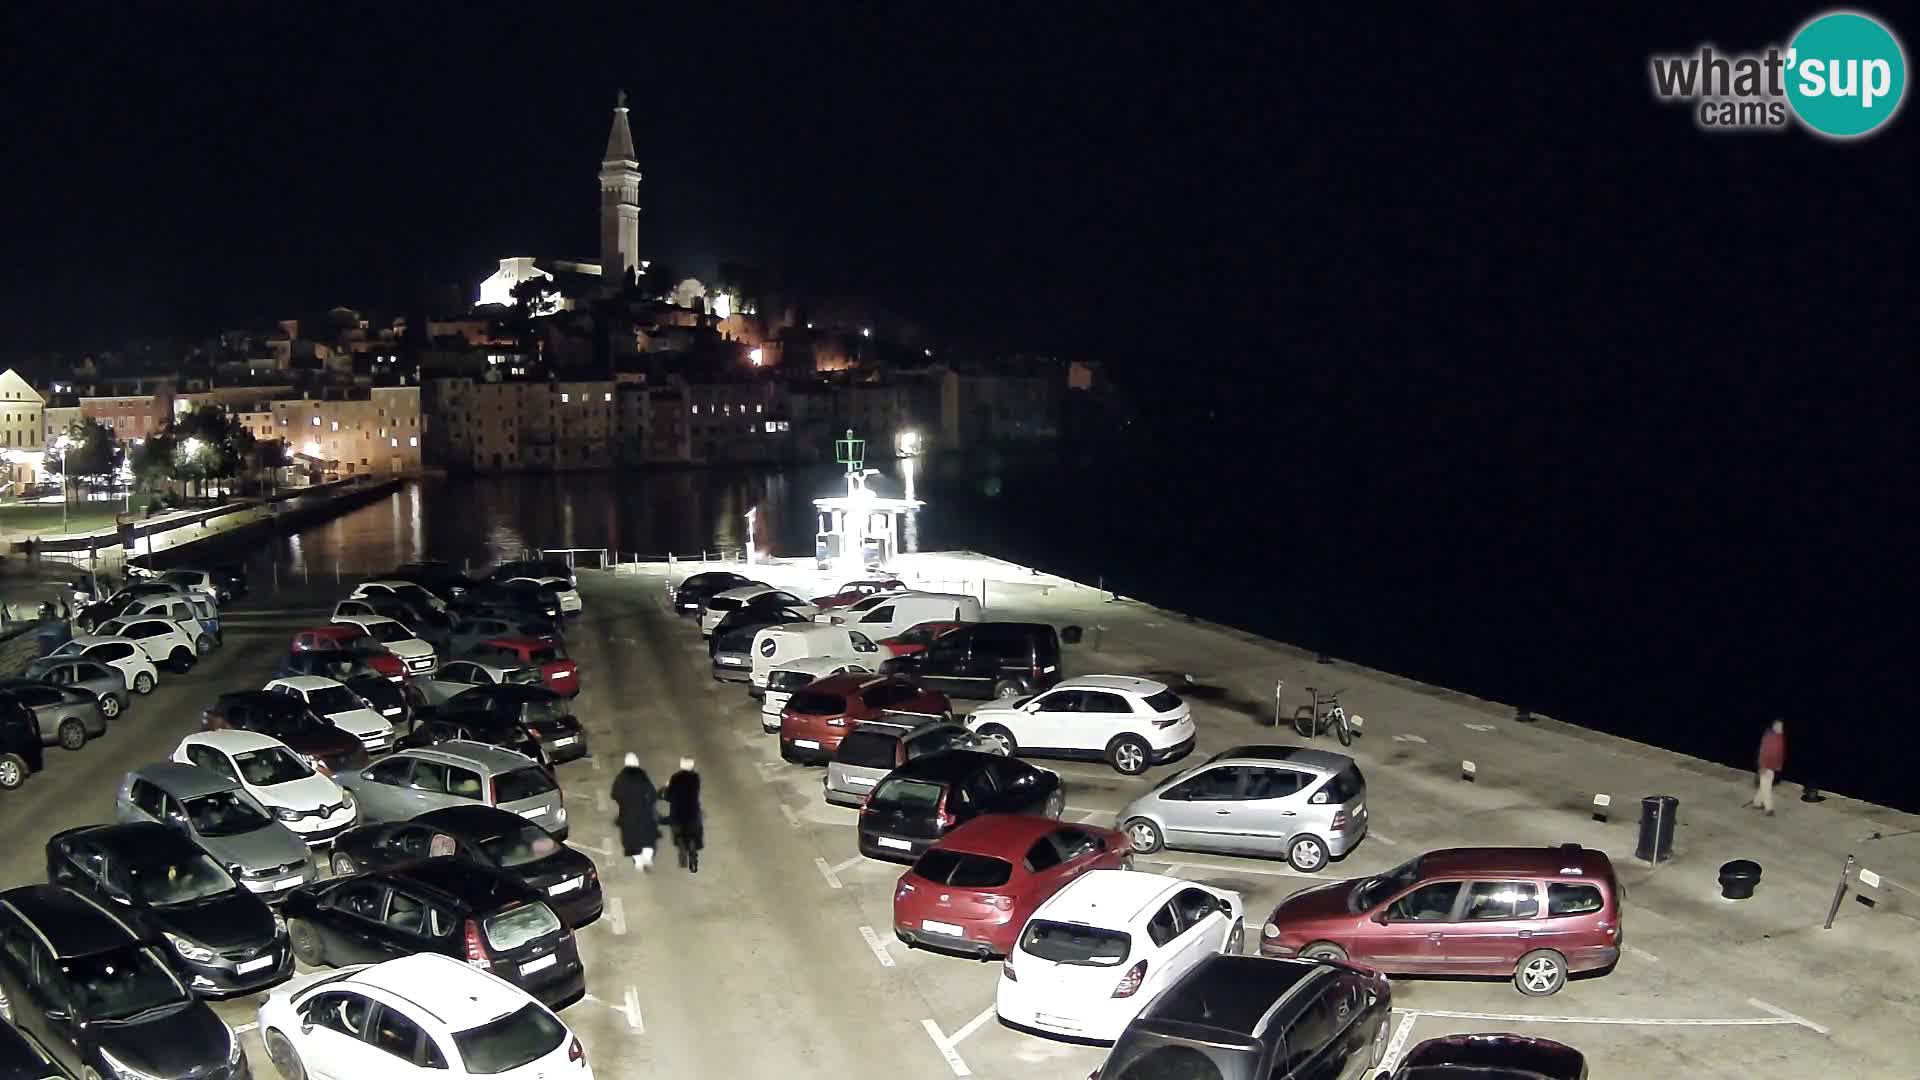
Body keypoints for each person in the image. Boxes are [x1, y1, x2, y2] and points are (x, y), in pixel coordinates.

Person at [610, 753, 659, 871]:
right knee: (648, 837)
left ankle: (638, 861)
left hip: (627, 813)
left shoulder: (621, 777)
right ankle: (647, 857)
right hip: (643, 811)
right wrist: (649, 803)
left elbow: (614, 794)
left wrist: (622, 802)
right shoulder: (641, 774)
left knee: (631, 838)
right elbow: (652, 793)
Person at [663, 757, 703, 873]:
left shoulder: (675, 777)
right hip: (692, 810)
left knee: (678, 831)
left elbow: (668, 795)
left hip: (677, 811)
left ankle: (681, 846)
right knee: (694, 832)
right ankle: (693, 853)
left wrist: (667, 788)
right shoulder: (695, 777)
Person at [1750, 719, 1786, 816]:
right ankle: (1769, 809)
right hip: (1766, 767)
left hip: (1773, 767)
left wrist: (1778, 766)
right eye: (1778, 726)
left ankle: (1757, 803)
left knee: (1764, 786)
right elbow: (1762, 753)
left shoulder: (1780, 736)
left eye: (1781, 726)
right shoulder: (1769, 737)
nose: (1780, 728)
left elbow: (1780, 753)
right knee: (1767, 788)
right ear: (1773, 727)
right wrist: (1762, 767)